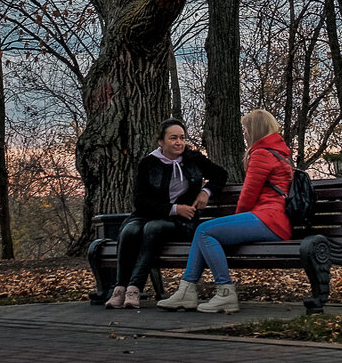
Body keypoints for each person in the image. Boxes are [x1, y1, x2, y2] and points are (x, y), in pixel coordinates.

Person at [156, 108, 292, 314]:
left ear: (255, 130)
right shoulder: (276, 151)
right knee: (205, 231)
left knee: (204, 231)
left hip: (268, 219)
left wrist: (236, 225)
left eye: (246, 129)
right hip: (271, 219)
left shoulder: (262, 154)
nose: (244, 133)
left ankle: (224, 293)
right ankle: (187, 291)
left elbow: (248, 196)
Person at [105, 118, 228, 309]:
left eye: (182, 137)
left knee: (153, 228)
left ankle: (134, 287)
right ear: (161, 142)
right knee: (130, 231)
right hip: (148, 214)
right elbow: (140, 201)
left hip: (181, 221)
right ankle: (119, 288)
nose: (179, 142)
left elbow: (221, 174)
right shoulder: (148, 163)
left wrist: (206, 191)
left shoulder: (193, 159)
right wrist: (173, 208)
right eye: (173, 138)